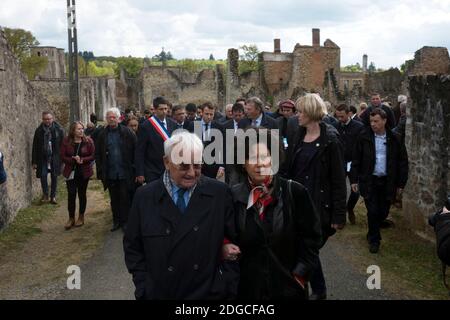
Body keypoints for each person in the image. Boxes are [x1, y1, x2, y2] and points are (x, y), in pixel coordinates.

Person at [124, 131, 238, 300]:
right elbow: (133, 247)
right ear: (166, 162)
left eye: (197, 165)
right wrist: (144, 287)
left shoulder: (219, 194)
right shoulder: (144, 196)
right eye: (184, 166)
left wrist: (225, 285)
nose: (191, 173)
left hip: (208, 294)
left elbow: (233, 240)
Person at [228, 128, 322, 299]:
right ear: (243, 162)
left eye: (265, 157)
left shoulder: (295, 192)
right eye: (253, 158)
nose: (260, 164)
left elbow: (312, 239)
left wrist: (300, 274)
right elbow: (226, 235)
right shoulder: (233, 196)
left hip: (288, 288)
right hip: (248, 289)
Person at [281, 93, 347, 300]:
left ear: (310, 112)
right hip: (297, 205)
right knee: (303, 249)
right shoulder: (297, 135)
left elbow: (338, 179)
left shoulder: (331, 140)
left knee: (307, 249)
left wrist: (338, 215)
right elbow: (289, 168)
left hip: (319, 208)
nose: (297, 115)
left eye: (300, 111)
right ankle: (314, 289)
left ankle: (315, 289)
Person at [350, 108, 409, 254]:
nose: (373, 124)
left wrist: (401, 184)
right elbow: (356, 159)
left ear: (384, 121)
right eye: (371, 121)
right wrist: (354, 180)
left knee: (383, 212)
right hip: (369, 180)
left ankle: (372, 231)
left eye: (376, 121)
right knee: (373, 211)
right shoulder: (363, 137)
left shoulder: (395, 138)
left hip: (388, 181)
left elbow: (403, 162)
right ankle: (374, 240)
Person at [96, 107, 137, 232]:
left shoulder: (127, 132)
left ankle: (126, 222)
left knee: (125, 198)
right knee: (114, 199)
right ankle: (116, 221)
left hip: (125, 171)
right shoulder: (102, 134)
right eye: (109, 117)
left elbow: (136, 150)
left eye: (114, 117)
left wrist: (136, 169)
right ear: (106, 119)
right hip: (111, 172)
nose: (111, 119)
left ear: (119, 118)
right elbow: (98, 154)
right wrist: (100, 172)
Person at [60, 122, 95, 230]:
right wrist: (72, 160)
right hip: (71, 171)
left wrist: (82, 160)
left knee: (82, 193)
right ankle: (71, 218)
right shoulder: (66, 141)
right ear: (73, 130)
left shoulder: (88, 141)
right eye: (78, 129)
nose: (81, 131)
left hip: (84, 171)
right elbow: (62, 155)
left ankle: (81, 216)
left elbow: (93, 155)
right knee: (71, 194)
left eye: (82, 129)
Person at [135, 97, 177, 184]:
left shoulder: (172, 124)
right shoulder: (145, 126)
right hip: (152, 169)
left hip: (169, 167)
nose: (164, 111)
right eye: (161, 109)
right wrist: (140, 172)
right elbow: (140, 150)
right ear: (154, 110)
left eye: (166, 109)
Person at [335, 104, 364, 224]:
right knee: (340, 190)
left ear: (349, 114)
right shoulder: (335, 126)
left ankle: (350, 208)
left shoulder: (359, 127)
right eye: (338, 117)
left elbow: (362, 146)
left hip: (354, 163)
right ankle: (340, 217)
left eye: (342, 116)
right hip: (340, 162)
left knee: (356, 191)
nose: (340, 119)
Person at [32, 111, 65, 205]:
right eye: (45, 119)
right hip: (42, 158)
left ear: (52, 119)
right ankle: (45, 195)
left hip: (55, 157)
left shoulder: (59, 129)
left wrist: (63, 159)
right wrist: (34, 161)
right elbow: (35, 146)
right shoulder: (39, 131)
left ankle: (53, 196)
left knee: (54, 177)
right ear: (42, 119)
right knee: (43, 176)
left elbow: (63, 145)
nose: (47, 121)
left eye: (49, 119)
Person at [190, 102, 225, 180]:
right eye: (206, 114)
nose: (209, 117)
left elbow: (222, 147)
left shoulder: (218, 127)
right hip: (196, 163)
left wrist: (222, 165)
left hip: (212, 165)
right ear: (201, 113)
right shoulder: (193, 125)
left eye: (211, 114)